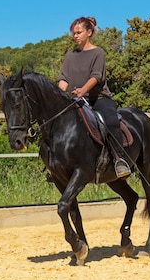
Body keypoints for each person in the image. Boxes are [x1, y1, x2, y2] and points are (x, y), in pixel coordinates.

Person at [56, 16, 131, 178]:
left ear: (89, 32)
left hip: (99, 99)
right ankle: (59, 165)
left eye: (79, 32)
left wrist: (83, 90)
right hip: (75, 100)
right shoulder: (70, 55)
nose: (75, 36)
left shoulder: (98, 52)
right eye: (73, 33)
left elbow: (97, 77)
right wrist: (59, 96)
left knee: (110, 121)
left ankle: (119, 159)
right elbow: (64, 79)